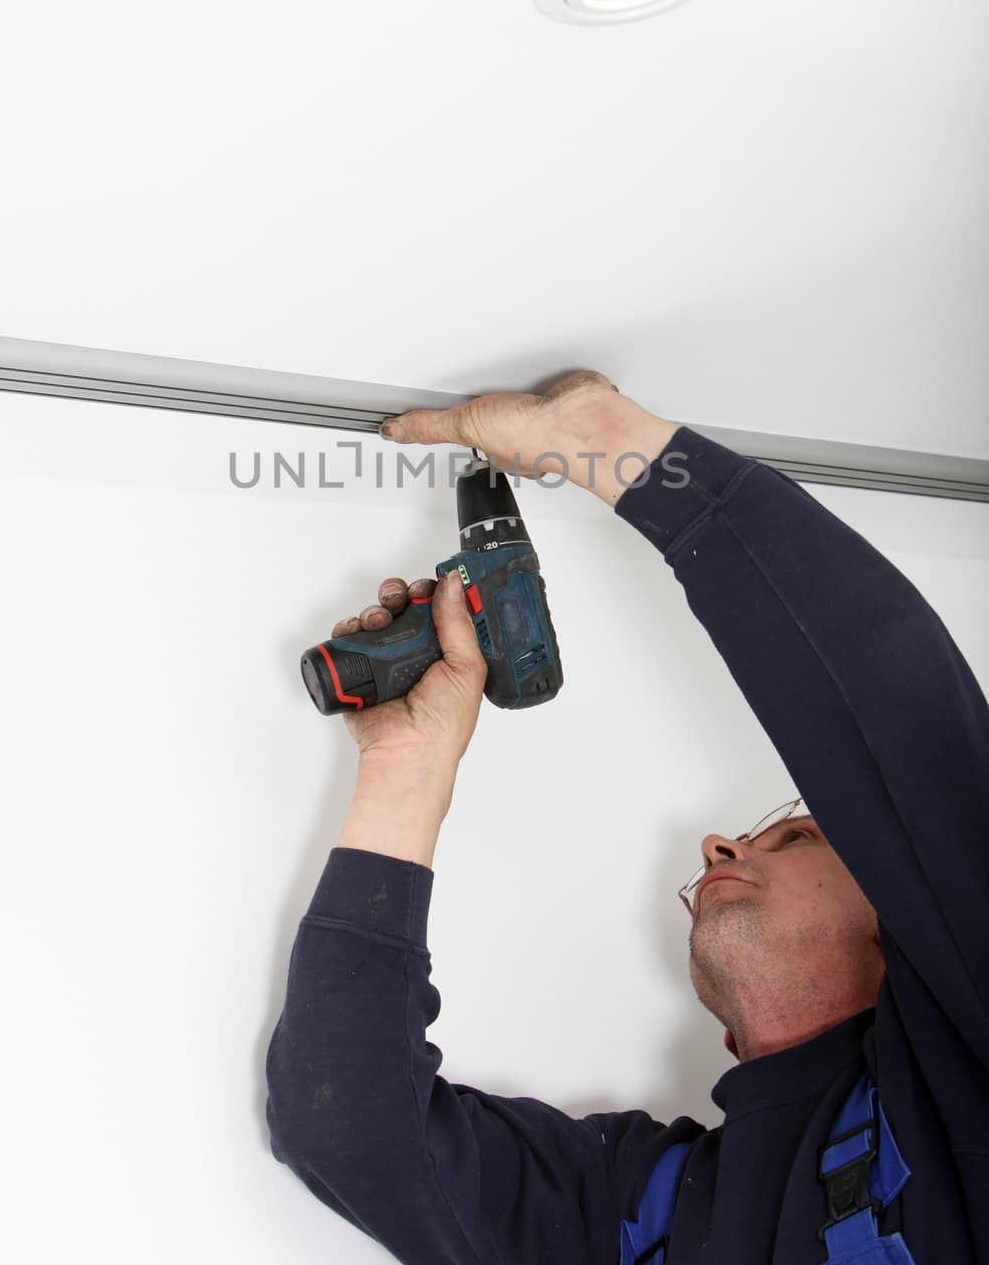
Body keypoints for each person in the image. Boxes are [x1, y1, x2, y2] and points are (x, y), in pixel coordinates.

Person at [265, 371, 988, 1262]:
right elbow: (349, 1125)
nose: (720, 843)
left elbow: (911, 759)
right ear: (726, 1032)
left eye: (799, 833)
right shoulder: (647, 1203)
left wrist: (618, 451)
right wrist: (407, 766)